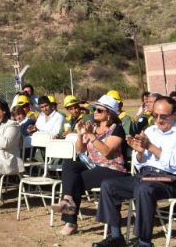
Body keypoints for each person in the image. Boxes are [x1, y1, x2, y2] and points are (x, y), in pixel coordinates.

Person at [93, 96, 176, 247]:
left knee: (144, 189)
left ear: (175, 115)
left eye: (164, 116)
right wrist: (140, 153)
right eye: (155, 115)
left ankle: (144, 242)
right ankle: (115, 236)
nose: (159, 120)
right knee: (109, 185)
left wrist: (150, 147)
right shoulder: (151, 130)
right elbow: (141, 163)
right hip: (145, 175)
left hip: (170, 180)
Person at [52, 94, 128, 236]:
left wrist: (91, 136)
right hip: (94, 164)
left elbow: (107, 152)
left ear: (109, 114)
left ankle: (70, 222)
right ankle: (68, 198)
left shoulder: (117, 129)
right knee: (70, 163)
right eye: (95, 109)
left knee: (75, 181)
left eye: (99, 110)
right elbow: (80, 150)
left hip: (112, 167)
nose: (95, 112)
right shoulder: (92, 127)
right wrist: (81, 135)